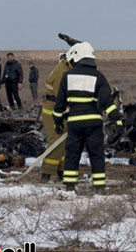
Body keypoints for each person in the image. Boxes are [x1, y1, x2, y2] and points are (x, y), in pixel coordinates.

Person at [53, 42, 122, 192]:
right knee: (96, 155)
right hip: (93, 123)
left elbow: (59, 104)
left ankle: (70, 187)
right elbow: (106, 101)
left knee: (72, 154)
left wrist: (57, 121)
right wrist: (117, 119)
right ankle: (99, 187)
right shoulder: (99, 76)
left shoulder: (67, 76)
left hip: (74, 123)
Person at [40, 33, 81, 183]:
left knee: (65, 142)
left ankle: (62, 171)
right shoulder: (61, 73)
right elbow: (62, 97)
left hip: (61, 110)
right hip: (53, 111)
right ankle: (46, 173)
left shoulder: (68, 68)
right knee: (57, 141)